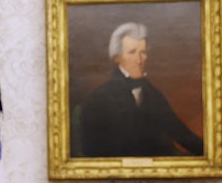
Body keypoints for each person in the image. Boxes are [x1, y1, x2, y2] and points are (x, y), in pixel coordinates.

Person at [71, 22, 204, 158]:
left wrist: (211, 154)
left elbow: (180, 132)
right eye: (132, 52)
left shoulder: (153, 94)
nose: (139, 60)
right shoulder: (98, 99)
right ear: (117, 57)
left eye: (143, 52)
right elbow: (94, 152)